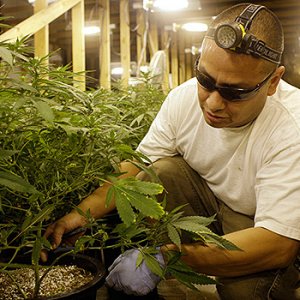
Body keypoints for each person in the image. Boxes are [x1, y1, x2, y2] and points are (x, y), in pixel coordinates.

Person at [43, 3, 300, 299]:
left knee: (245, 291)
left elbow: (278, 245)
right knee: (158, 172)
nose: (213, 103)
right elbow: (135, 166)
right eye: (205, 80)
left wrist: (166, 258)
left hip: (260, 225)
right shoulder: (183, 98)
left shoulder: (290, 127)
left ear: (273, 82)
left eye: (235, 92)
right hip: (213, 205)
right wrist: (79, 215)